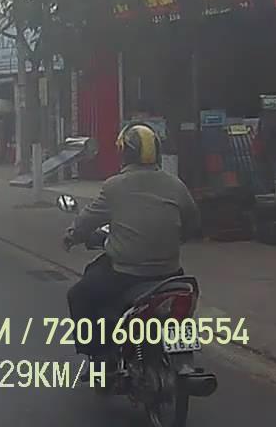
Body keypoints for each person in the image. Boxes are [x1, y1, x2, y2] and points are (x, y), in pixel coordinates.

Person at [63, 123, 200, 366]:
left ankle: (99, 356)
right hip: (170, 273)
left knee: (79, 295)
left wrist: (72, 235)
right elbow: (193, 224)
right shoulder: (176, 185)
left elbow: (88, 219)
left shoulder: (115, 186)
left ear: (125, 153)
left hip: (126, 274)